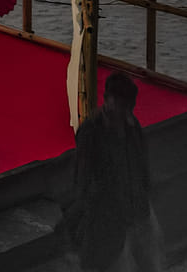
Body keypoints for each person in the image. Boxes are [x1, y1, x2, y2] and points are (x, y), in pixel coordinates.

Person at [66, 72, 160, 271]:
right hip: (105, 212)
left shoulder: (132, 127)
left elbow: (142, 165)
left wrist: (145, 195)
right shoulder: (91, 131)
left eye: (127, 106)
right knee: (101, 261)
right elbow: (83, 177)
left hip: (135, 208)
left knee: (147, 261)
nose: (124, 111)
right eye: (121, 104)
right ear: (108, 100)